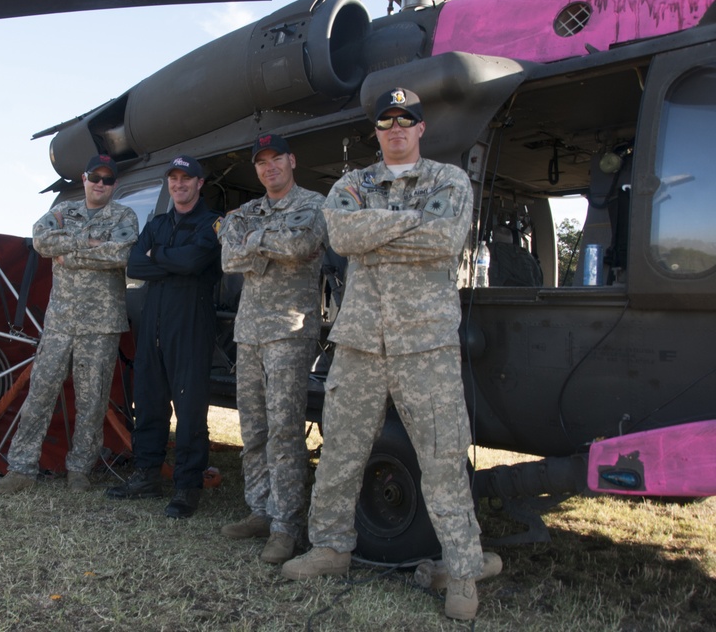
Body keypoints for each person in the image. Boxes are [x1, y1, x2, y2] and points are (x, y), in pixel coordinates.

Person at [280, 88, 499, 620]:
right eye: (386, 122)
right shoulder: (351, 185)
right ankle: (331, 547)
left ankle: (463, 569)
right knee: (341, 452)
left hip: (425, 342)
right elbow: (343, 233)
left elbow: (445, 240)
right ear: (376, 131)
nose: (396, 129)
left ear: (421, 128)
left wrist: (375, 232)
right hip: (359, 341)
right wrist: (408, 223)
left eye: (407, 120)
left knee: (443, 456)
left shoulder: (449, 180)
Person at [0, 154, 138, 495]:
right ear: (84, 178)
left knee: (92, 400)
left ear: (114, 184)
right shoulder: (62, 213)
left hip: (101, 325)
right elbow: (41, 241)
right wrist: (89, 243)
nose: (100, 183)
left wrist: (69, 251)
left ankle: (79, 471)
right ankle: (21, 469)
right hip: (60, 322)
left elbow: (123, 253)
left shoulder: (124, 215)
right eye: (95, 176)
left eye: (108, 178)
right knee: (40, 393)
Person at [217, 134, 326, 563]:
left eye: (275, 158)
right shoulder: (246, 211)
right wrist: (268, 240)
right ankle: (260, 510)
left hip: (289, 330)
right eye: (261, 162)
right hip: (249, 332)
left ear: (291, 160)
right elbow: (228, 258)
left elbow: (302, 245)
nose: (269, 167)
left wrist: (253, 243)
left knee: (284, 430)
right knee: (254, 429)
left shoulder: (314, 204)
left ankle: (286, 525)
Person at [106, 155, 222, 519]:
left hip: (190, 327)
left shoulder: (212, 224)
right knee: (149, 403)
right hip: (153, 326)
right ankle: (146, 475)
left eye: (186, 178)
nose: (179, 184)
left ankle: (187, 487)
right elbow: (136, 264)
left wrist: (161, 256)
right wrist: (169, 258)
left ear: (199, 183)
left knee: (189, 413)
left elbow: (194, 263)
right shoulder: (156, 224)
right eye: (173, 178)